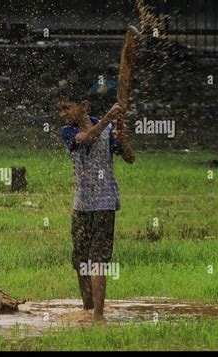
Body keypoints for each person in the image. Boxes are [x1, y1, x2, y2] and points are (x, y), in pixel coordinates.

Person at [56, 89, 135, 320]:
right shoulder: (68, 132)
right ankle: (88, 308)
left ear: (83, 106)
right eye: (59, 110)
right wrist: (108, 118)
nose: (62, 114)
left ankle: (98, 316)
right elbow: (87, 138)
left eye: (66, 108)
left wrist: (122, 138)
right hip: (81, 205)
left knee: (98, 260)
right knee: (80, 260)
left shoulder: (108, 129)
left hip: (104, 203)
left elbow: (130, 158)